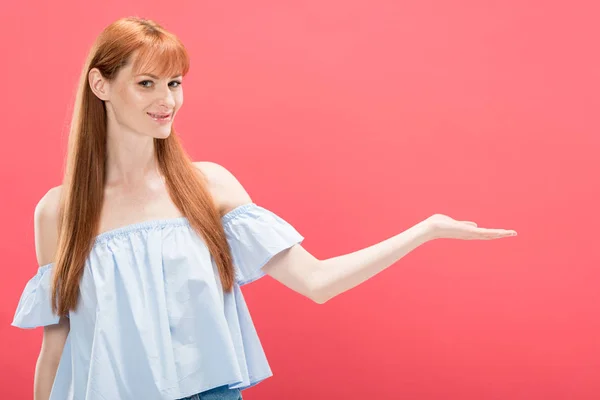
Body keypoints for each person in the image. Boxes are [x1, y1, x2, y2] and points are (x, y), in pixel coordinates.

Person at [10, 16, 517, 400]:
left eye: (175, 83)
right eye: (147, 83)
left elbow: (316, 283)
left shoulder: (208, 186)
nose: (167, 100)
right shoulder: (58, 212)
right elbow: (56, 348)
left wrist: (424, 230)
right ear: (101, 86)